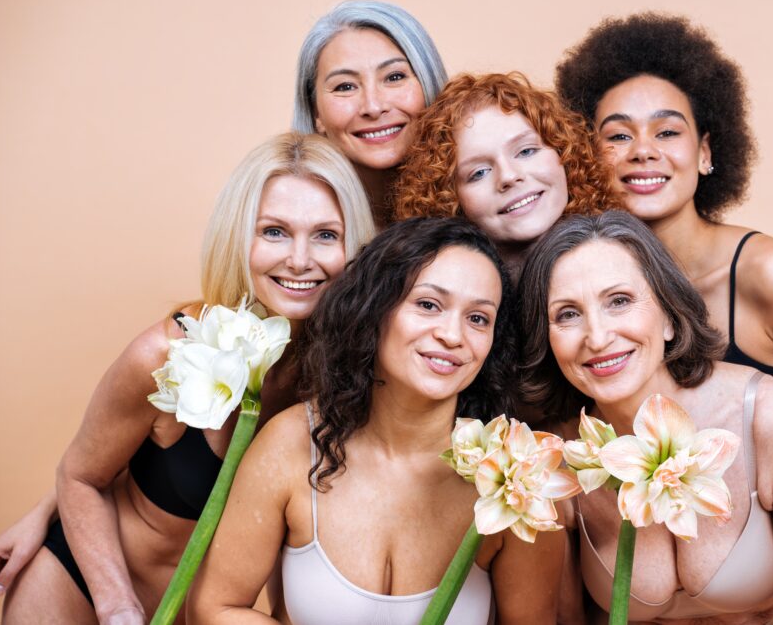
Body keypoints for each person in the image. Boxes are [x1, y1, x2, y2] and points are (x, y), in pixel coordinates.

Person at [555, 13, 773, 622]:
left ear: (707, 151)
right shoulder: (582, 294)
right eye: (617, 136)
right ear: (587, 157)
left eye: (668, 132)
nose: (644, 151)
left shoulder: (769, 276)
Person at [0, 133, 375, 624]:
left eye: (325, 234)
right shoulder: (169, 351)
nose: (300, 259)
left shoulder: (336, 383)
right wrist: (117, 608)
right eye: (274, 231)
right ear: (239, 237)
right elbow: (80, 475)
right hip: (84, 595)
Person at [187, 218, 565, 624]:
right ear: (375, 309)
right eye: (428, 305)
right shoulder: (291, 443)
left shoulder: (516, 481)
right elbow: (213, 609)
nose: (453, 336)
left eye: (478, 318)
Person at [519, 211, 773, 623]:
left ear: (667, 314)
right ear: (547, 338)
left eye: (620, 301)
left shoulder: (766, 416)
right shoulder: (559, 458)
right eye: (568, 314)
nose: (597, 336)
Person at [394, 73, 621, 279]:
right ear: (450, 201)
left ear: (565, 153)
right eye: (479, 173)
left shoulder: (624, 263)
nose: (509, 176)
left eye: (526, 151)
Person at [293, 0, 448, 228]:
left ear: (429, 83)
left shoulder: (485, 205)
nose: (373, 107)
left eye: (394, 77)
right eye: (345, 86)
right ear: (316, 112)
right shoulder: (294, 234)